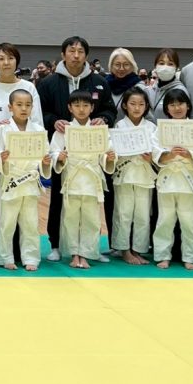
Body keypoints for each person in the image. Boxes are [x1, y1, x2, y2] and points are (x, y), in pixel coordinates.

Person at [37, 36, 116, 262]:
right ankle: (56, 244)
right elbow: (40, 112)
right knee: (58, 201)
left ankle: (91, 249)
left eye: (80, 51)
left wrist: (103, 118)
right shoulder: (49, 82)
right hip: (63, 148)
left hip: (92, 150)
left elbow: (110, 110)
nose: (76, 55)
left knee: (91, 208)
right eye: (71, 51)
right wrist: (54, 121)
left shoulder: (99, 81)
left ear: (86, 56)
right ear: (63, 54)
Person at [0, 42, 42, 260]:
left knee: (26, 211)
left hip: (24, 159)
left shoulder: (29, 87)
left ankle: (24, 253)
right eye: (1, 58)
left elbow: (37, 121)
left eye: (10, 58)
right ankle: (0, 252)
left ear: (17, 62)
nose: (6, 63)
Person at [50, 90, 116, 269]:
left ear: (92, 108)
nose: (81, 109)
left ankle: (86, 254)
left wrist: (109, 157)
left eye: (86, 105)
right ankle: (74, 254)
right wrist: (59, 157)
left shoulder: (99, 130)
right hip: (71, 178)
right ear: (69, 108)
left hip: (92, 179)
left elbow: (107, 151)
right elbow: (53, 151)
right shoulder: (63, 130)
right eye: (77, 105)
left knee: (92, 219)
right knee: (70, 218)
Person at [0, 90, 48, 271]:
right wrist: (0, 158)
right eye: (19, 105)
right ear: (10, 107)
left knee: (30, 222)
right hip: (11, 180)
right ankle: (5, 257)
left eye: (28, 105)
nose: (24, 109)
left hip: (29, 181)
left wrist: (45, 162)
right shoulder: (1, 130)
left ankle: (31, 257)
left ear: (32, 107)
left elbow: (44, 155)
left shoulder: (38, 131)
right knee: (7, 222)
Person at [152, 89, 193, 270]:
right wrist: (168, 155)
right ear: (167, 108)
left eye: (180, 104)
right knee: (165, 220)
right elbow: (155, 151)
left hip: (188, 179)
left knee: (189, 221)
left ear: (188, 106)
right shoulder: (160, 129)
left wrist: (190, 155)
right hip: (167, 179)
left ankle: (190, 257)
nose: (177, 108)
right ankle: (163, 255)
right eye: (172, 104)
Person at [112, 88, 156, 265]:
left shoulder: (151, 127)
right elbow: (114, 151)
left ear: (146, 107)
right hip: (125, 174)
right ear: (125, 105)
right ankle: (124, 249)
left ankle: (138, 249)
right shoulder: (119, 126)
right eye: (133, 104)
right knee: (123, 213)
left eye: (141, 104)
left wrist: (151, 157)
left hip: (145, 174)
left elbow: (158, 151)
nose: (137, 108)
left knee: (143, 215)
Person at [146, 48, 188, 121]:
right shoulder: (150, 90)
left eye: (170, 64)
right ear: (155, 66)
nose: (165, 67)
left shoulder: (181, 91)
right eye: (161, 63)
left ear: (176, 68)